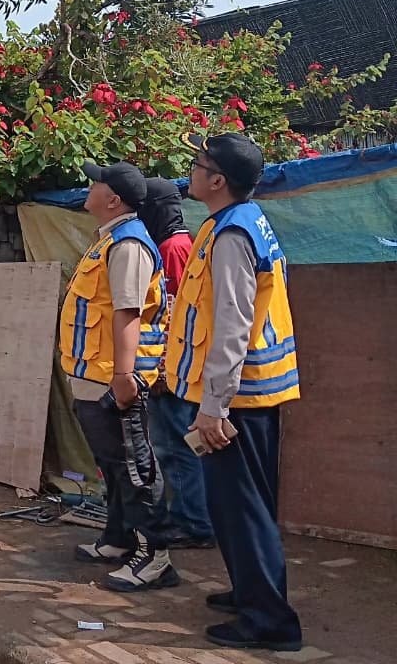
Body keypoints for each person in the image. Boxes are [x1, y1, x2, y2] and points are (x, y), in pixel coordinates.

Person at [166, 133, 302, 652]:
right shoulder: (236, 221)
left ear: (217, 180)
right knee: (240, 508)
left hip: (237, 399)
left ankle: (269, 622)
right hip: (248, 393)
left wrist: (213, 407)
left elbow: (232, 325)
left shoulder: (231, 235)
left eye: (197, 164)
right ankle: (251, 592)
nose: (191, 172)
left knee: (244, 511)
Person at [60, 161, 176, 592]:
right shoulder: (107, 240)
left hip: (115, 379)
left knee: (135, 469)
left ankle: (155, 558)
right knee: (112, 465)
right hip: (94, 375)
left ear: (113, 200)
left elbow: (128, 313)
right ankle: (118, 538)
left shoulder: (128, 245)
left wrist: (125, 375)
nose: (88, 187)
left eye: (96, 183)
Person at [141, 177, 214, 550]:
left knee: (177, 445)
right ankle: (187, 516)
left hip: (176, 370)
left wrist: (163, 370)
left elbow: (175, 315)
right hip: (181, 366)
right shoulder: (181, 244)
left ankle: (194, 523)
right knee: (175, 443)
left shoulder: (173, 249)